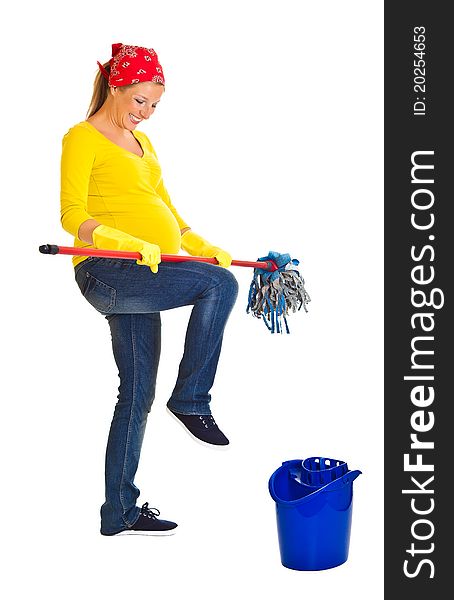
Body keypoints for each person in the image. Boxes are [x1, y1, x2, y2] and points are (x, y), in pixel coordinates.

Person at [60, 43, 239, 537]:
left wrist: (197, 242)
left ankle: (119, 512)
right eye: (140, 101)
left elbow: (169, 216)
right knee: (219, 285)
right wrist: (119, 239)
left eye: (155, 105)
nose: (147, 113)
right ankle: (192, 400)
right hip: (108, 268)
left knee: (135, 393)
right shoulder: (82, 138)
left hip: (147, 273)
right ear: (116, 87)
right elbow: (71, 214)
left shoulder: (145, 146)